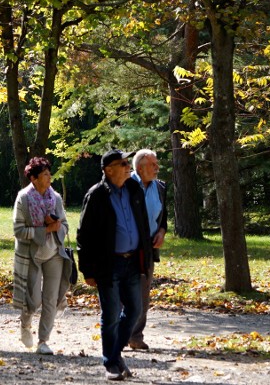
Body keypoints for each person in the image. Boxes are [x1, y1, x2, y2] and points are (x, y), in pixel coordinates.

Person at [77, 149, 152, 381]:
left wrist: (147, 255)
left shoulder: (133, 189)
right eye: (122, 163)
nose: (128, 166)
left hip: (133, 262)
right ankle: (110, 363)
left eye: (128, 162)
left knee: (134, 311)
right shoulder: (97, 195)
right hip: (108, 264)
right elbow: (84, 235)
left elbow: (143, 224)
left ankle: (115, 354)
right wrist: (87, 270)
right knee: (110, 314)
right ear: (108, 170)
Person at [11, 156, 73, 356]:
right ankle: (25, 323)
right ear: (34, 178)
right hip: (32, 255)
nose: (49, 178)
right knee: (34, 300)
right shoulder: (23, 198)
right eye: (45, 175)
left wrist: (56, 227)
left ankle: (43, 341)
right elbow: (18, 230)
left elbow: (64, 225)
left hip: (54, 253)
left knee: (51, 299)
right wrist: (44, 229)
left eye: (49, 174)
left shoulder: (55, 198)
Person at [128, 149, 168, 350]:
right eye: (153, 165)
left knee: (143, 293)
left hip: (148, 249)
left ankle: (135, 336)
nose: (157, 168)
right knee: (123, 292)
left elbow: (164, 216)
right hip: (127, 248)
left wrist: (162, 231)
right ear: (140, 167)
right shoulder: (125, 186)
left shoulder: (160, 187)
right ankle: (119, 333)